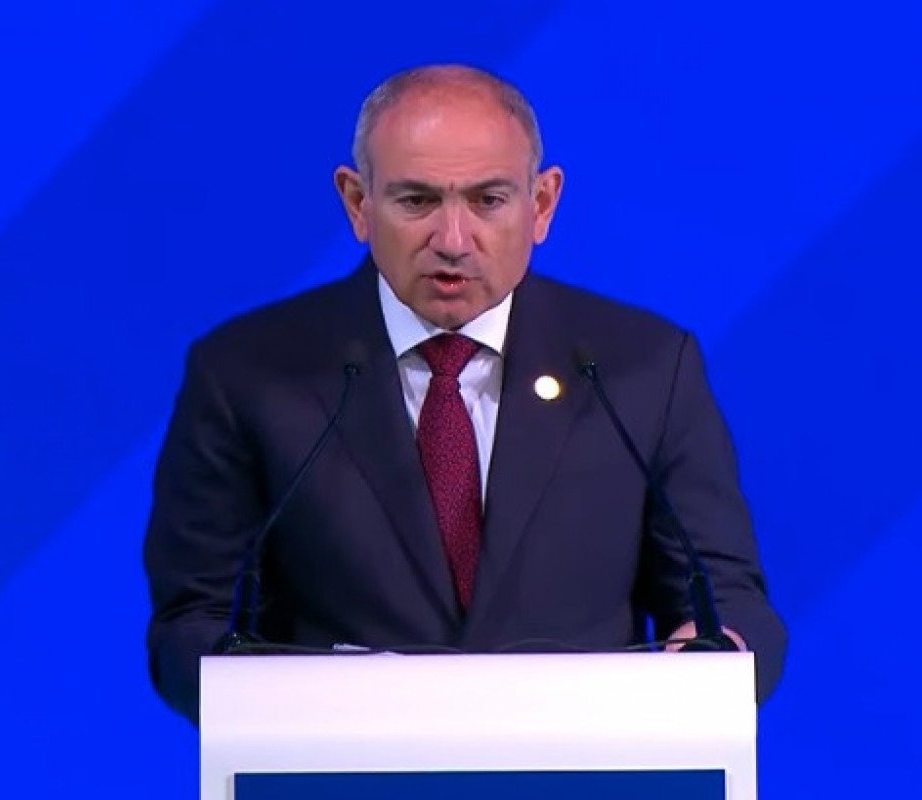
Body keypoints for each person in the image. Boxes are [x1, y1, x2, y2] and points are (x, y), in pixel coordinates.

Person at [143, 64, 786, 724]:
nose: (452, 241)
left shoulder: (644, 368)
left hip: (582, 760)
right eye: (417, 201)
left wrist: (716, 653)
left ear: (542, 204)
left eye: (487, 201)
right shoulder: (247, 374)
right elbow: (192, 624)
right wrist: (287, 708)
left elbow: (728, 602)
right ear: (357, 202)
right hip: (343, 762)